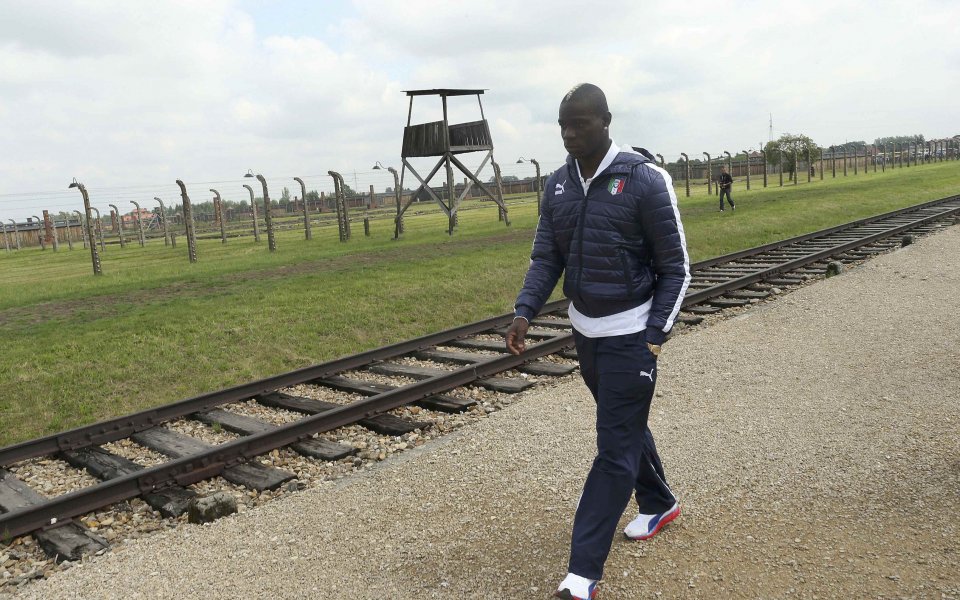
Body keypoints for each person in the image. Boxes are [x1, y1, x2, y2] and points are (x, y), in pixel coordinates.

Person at [504, 83, 690, 600]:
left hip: (631, 336)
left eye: (579, 123)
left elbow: (677, 269)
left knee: (612, 450)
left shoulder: (644, 181)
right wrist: (525, 312)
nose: (568, 133)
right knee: (625, 429)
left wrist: (654, 338)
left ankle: (582, 574)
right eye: (562, 124)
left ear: (606, 121)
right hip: (586, 334)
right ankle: (659, 503)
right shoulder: (558, 185)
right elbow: (548, 258)